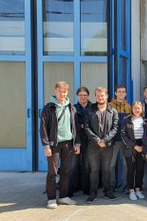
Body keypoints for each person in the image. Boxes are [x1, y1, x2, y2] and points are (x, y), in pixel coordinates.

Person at [40, 81, 80, 209]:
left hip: (68, 144)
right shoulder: (49, 107)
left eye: (64, 91)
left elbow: (76, 128)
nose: (62, 94)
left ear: (67, 92)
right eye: (59, 91)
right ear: (55, 91)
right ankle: (51, 199)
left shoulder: (71, 108)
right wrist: (46, 145)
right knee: (52, 172)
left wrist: (77, 143)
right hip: (54, 144)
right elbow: (43, 128)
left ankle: (64, 197)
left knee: (66, 171)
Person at [85, 87, 119, 203]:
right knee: (94, 170)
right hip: (93, 146)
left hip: (107, 145)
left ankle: (107, 191)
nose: (100, 97)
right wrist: (97, 140)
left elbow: (115, 128)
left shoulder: (113, 111)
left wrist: (104, 140)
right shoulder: (89, 110)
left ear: (107, 96)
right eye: (98, 95)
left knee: (106, 169)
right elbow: (86, 127)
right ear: (95, 96)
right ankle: (93, 193)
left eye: (102, 95)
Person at [70, 86, 92, 196]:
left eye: (85, 95)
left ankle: (86, 188)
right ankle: (72, 188)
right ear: (77, 96)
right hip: (76, 140)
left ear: (88, 96)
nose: (83, 97)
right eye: (81, 95)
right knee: (73, 165)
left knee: (86, 165)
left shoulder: (92, 107)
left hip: (88, 140)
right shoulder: (73, 108)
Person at [121, 101, 146, 201]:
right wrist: (135, 146)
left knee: (140, 170)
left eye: (139, 108)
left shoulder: (145, 120)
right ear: (131, 109)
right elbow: (123, 135)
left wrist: (144, 147)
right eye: (135, 108)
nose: (137, 110)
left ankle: (138, 189)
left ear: (142, 109)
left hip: (142, 147)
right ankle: (131, 190)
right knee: (131, 170)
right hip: (130, 147)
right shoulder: (127, 120)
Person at [109, 85, 131, 193]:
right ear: (115, 93)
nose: (121, 93)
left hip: (125, 140)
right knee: (111, 164)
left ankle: (126, 185)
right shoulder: (109, 106)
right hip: (113, 140)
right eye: (119, 91)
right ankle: (112, 185)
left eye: (123, 91)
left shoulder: (129, 107)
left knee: (126, 164)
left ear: (126, 94)